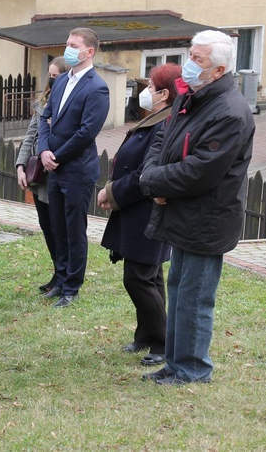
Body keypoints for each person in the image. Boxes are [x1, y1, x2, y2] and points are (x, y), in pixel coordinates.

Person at [139, 30, 255, 385]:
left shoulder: (230, 113)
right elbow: (163, 140)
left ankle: (192, 369)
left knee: (195, 298)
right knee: (179, 292)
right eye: (190, 54)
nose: (188, 65)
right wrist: (152, 177)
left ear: (218, 70)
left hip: (207, 218)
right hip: (182, 213)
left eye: (198, 59)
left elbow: (201, 171)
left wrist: (156, 183)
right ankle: (175, 363)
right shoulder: (191, 99)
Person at [98, 64, 180, 366]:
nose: (144, 91)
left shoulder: (165, 123)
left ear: (164, 94)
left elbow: (146, 173)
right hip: (136, 210)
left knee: (138, 278)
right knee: (150, 275)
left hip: (147, 209)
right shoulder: (157, 118)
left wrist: (112, 192)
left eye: (150, 86)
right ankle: (147, 334)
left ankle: (163, 341)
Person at [38, 27, 110, 308]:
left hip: (76, 171)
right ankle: (60, 277)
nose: (67, 48)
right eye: (66, 43)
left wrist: (55, 154)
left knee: (73, 229)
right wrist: (44, 150)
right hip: (54, 168)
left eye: (72, 45)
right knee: (57, 227)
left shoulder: (97, 87)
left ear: (88, 52)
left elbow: (86, 132)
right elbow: (46, 116)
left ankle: (72, 287)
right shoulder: (61, 81)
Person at [15, 56, 71, 294]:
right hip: (39, 175)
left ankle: (65, 276)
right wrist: (20, 165)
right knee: (46, 225)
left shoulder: (69, 103)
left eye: (55, 75)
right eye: (49, 74)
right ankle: (57, 272)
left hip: (57, 172)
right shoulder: (43, 102)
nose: (50, 79)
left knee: (60, 228)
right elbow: (30, 135)